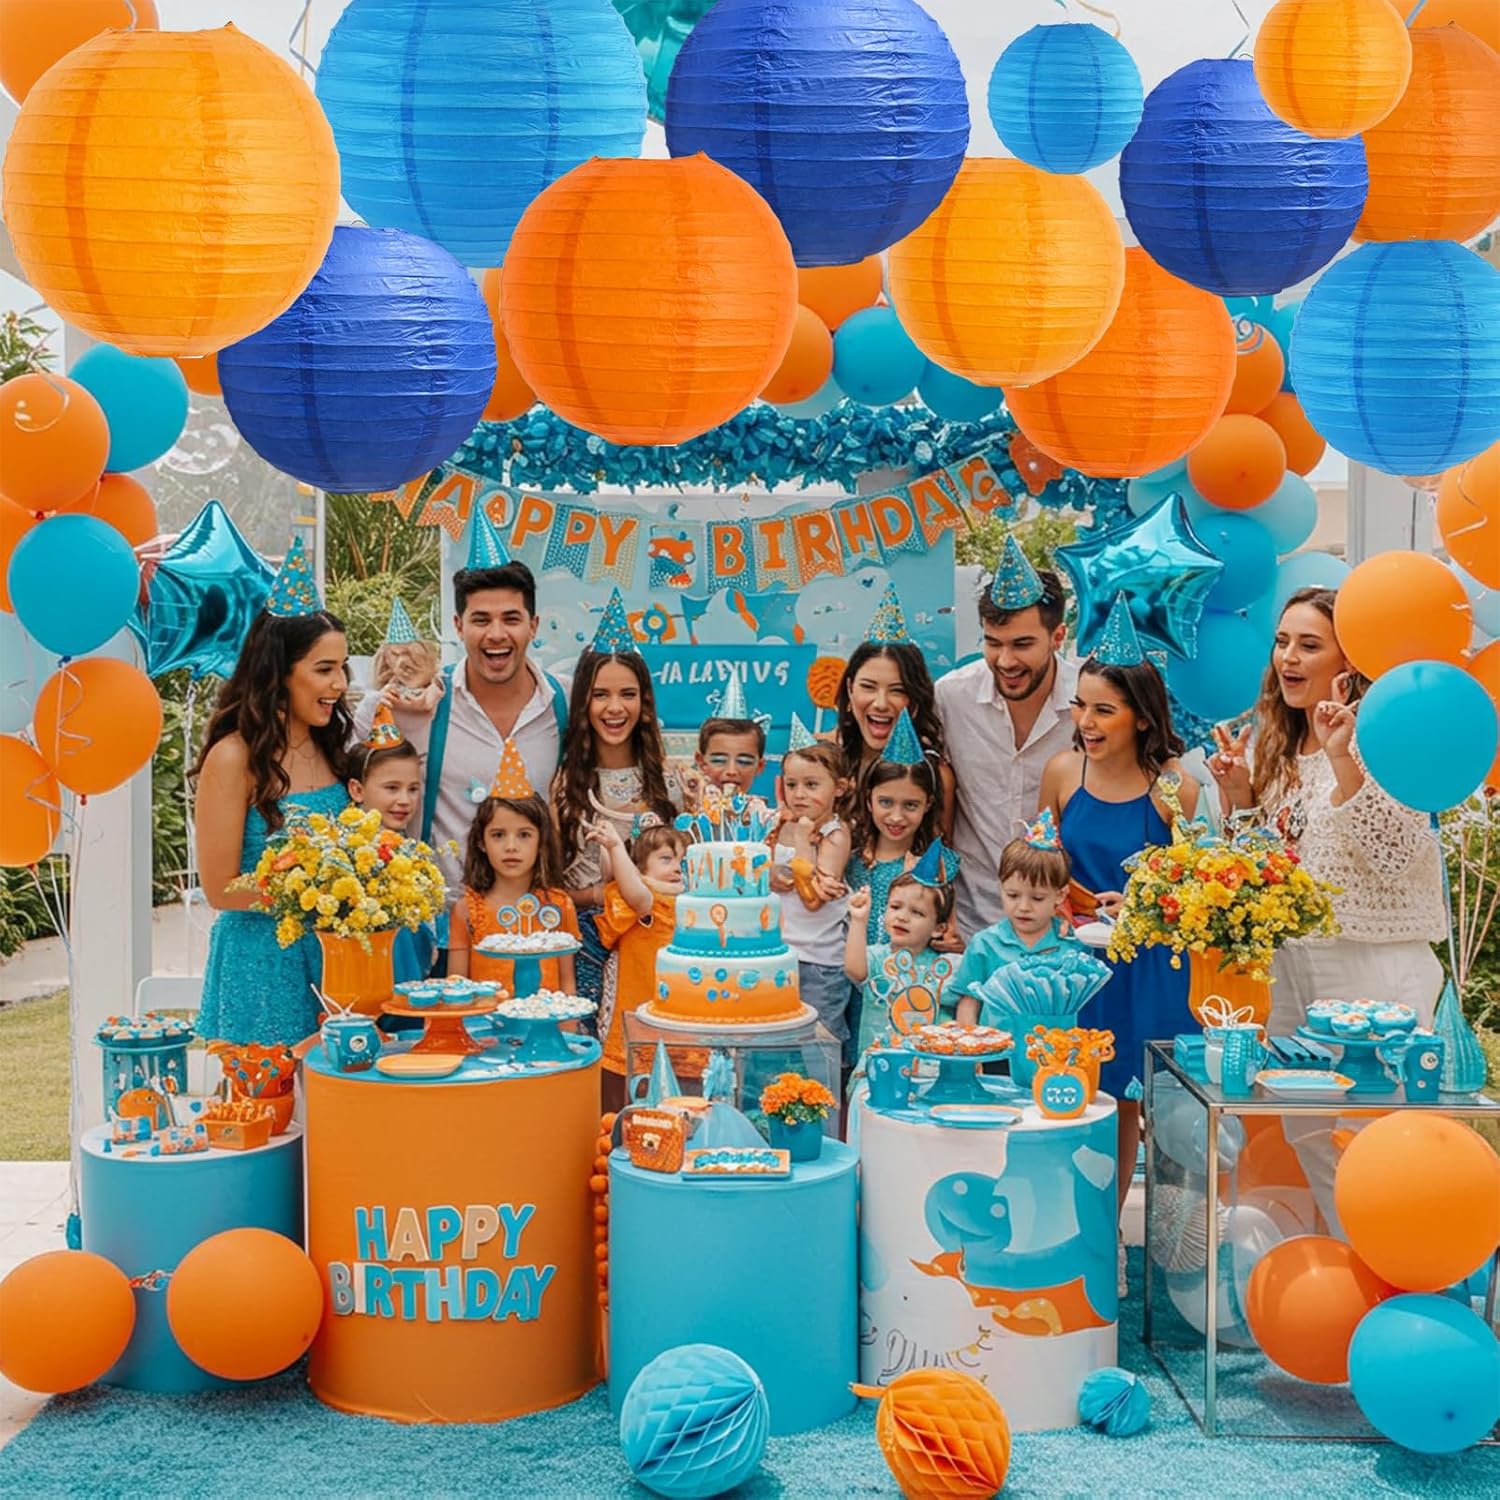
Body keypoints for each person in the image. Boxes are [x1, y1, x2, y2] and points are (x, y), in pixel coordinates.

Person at [1207, 585, 1447, 1230]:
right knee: (1311, 1133)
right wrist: (1240, 797)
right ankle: (1348, 1267)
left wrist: (1344, 755)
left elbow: (1396, 851)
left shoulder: (1380, 736)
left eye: (1309, 644)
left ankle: (1401, 1269)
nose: (1288, 657)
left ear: (1350, 660)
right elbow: (1269, 867)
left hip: (1375, 969)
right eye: (1282, 641)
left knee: (1374, 1142)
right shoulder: (1283, 747)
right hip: (1297, 968)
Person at [1039, 652, 1200, 1216]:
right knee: (1092, 1094)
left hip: (1152, 966)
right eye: (1080, 705)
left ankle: (1167, 1230)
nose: (1086, 721)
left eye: (1104, 710)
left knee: (1149, 1096)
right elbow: (1042, 859)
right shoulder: (1063, 772)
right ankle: (1096, 1227)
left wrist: (1140, 903)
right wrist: (1057, 897)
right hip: (1078, 965)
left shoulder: (1175, 786)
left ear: (1143, 717)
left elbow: (1193, 886)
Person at [351, 516, 568, 900]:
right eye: (481, 620)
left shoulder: (564, 702)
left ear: (533, 626)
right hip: (436, 923)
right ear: (458, 626)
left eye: (511, 619)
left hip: (534, 923)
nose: (496, 634)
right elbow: (354, 803)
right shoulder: (410, 707)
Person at [194, 539, 353, 1046]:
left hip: (334, 964)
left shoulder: (335, 749)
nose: (340, 684)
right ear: (278, 673)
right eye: (324, 669)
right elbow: (220, 888)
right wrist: (317, 895)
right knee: (267, 1097)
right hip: (259, 968)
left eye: (342, 667)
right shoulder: (233, 758)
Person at [937, 537, 1079, 941]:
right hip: (968, 928)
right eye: (993, 643)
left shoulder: (1087, 703)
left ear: (1057, 637)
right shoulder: (950, 697)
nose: (1005, 660)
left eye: (1022, 644)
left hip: (1061, 933)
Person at [553, 590, 683, 1002]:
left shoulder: (669, 783)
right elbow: (549, 888)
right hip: (585, 944)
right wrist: (600, 896)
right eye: (600, 695)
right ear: (582, 702)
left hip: (655, 945)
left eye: (627, 694)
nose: (614, 708)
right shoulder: (564, 786)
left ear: (644, 701)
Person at [447, 739, 579, 995]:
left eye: (524, 835)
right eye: (498, 835)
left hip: (546, 1020)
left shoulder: (559, 906)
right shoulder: (466, 910)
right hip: (485, 1021)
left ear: (541, 841)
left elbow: (567, 986)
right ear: (481, 842)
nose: (511, 847)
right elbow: (456, 988)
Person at [835, 581, 956, 840]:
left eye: (897, 690)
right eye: (868, 687)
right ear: (850, 689)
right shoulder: (827, 759)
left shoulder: (933, 774)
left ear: (915, 700)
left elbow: (941, 853)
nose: (881, 703)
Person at [589, 817, 690, 1112]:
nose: (677, 867)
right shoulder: (645, 899)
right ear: (641, 867)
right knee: (630, 1086)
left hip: (676, 1007)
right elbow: (633, 890)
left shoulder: (691, 902)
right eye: (666, 859)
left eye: (683, 861)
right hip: (637, 1001)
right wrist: (614, 846)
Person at [951, 820, 1077, 1028]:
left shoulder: (1072, 944)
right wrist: (970, 1041)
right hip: (998, 1047)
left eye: (1037, 898)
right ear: (1000, 887)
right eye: (1012, 895)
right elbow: (969, 1003)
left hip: (1056, 1047)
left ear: (1060, 894)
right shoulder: (985, 944)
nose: (1023, 907)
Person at [772, 735, 854, 1046]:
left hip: (820, 962)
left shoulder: (835, 834)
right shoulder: (781, 825)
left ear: (839, 787)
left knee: (818, 1043)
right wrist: (773, 874)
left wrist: (803, 840)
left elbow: (813, 899)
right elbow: (771, 873)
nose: (799, 794)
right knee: (779, 1040)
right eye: (791, 785)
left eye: (811, 785)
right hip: (780, 955)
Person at [347, 705, 435, 990]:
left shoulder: (412, 850)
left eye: (413, 789)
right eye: (392, 788)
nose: (405, 800)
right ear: (357, 790)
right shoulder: (347, 854)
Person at [845, 852, 959, 1055]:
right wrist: (858, 920)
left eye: (917, 912)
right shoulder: (877, 957)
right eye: (895, 907)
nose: (902, 917)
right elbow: (854, 970)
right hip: (878, 1065)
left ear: (938, 929)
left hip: (927, 1067)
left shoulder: (944, 968)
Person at [370, 596, 444, 718]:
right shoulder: (380, 698)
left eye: (407, 654)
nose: (405, 663)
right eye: (395, 655)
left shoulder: (440, 687)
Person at [695, 672, 767, 797]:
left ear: (760, 766)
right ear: (701, 761)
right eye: (719, 760)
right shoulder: (686, 807)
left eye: (744, 762)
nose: (731, 771)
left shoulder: (762, 809)